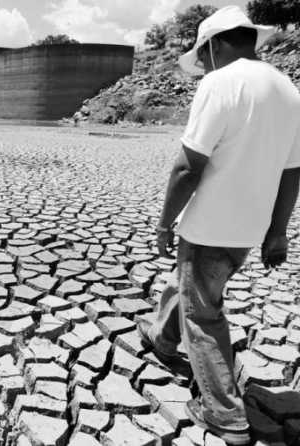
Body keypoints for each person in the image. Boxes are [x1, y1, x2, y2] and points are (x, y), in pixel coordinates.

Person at [137, 6, 300, 446]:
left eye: (203, 54)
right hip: (247, 232)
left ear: (214, 44)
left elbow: (188, 166)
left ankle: (224, 414)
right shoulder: (287, 89)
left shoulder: (219, 82)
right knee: (191, 287)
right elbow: (292, 172)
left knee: (204, 316)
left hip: (208, 227)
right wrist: (277, 231)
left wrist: (164, 223)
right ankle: (163, 340)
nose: (203, 64)